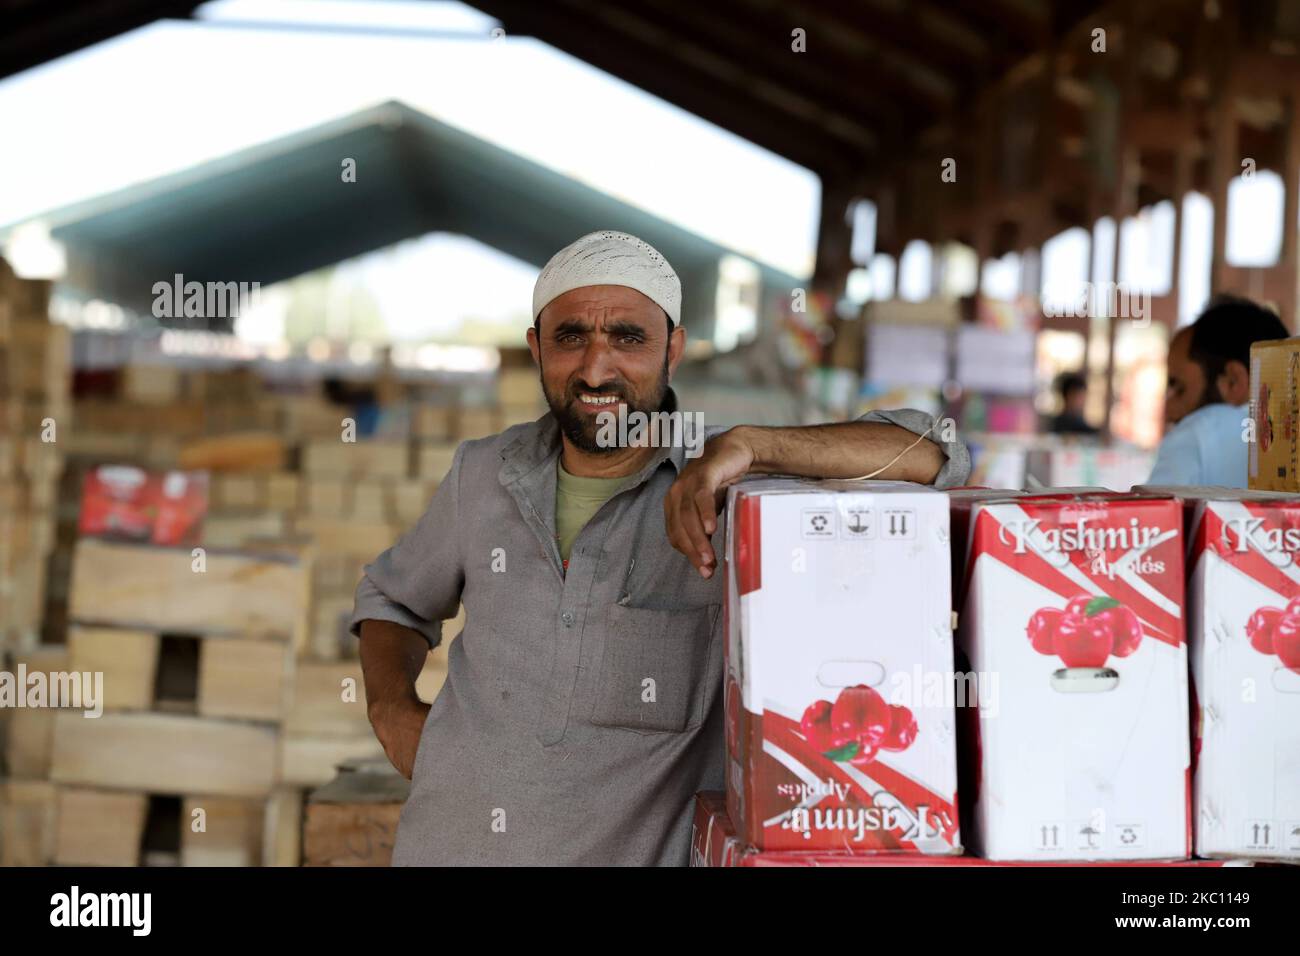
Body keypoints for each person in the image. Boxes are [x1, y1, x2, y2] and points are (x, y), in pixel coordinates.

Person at [349, 230, 970, 866]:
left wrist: (749, 444)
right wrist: (390, 707)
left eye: (627, 337)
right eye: (570, 337)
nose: (596, 369)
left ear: (673, 349)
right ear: (536, 348)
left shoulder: (730, 490)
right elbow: (392, 599)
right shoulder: (482, 473)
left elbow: (935, 455)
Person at [1147, 295, 1289, 486]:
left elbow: (1154, 514)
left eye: (1178, 386)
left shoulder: (1198, 434)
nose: (1168, 411)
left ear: (1233, 381)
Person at [1048, 371, 1098, 435]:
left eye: (1083, 396)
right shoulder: (1060, 423)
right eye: (1078, 396)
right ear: (1068, 396)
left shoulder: (1079, 419)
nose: (1082, 401)